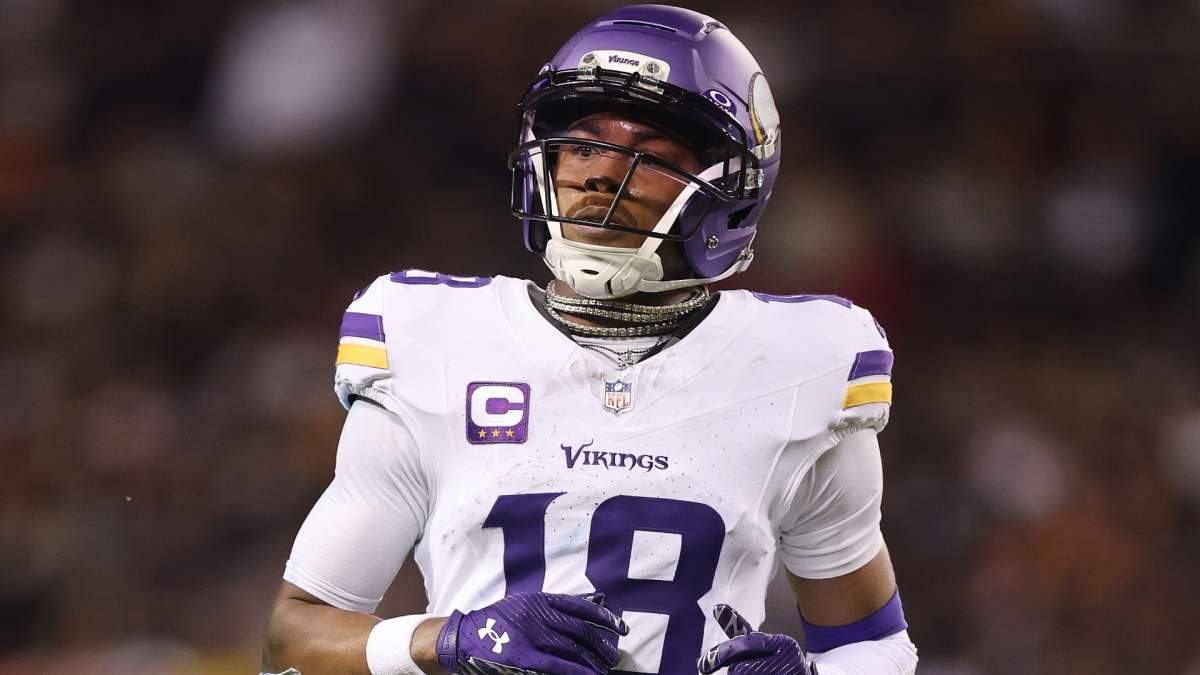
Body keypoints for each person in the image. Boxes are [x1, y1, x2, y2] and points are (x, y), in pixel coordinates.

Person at [263, 5, 918, 675]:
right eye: (582, 146)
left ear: (729, 190)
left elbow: (876, 644)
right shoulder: (433, 342)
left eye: (648, 156)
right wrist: (449, 642)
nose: (602, 174)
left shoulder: (797, 369)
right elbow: (294, 640)